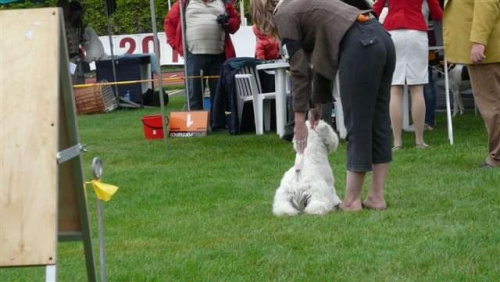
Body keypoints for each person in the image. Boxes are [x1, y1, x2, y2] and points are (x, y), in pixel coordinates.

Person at [251, 0, 396, 211]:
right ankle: (376, 197)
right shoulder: (303, 5)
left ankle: (351, 200)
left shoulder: (283, 13)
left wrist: (299, 120)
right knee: (379, 120)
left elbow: (299, 69)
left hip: (360, 45)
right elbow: (321, 53)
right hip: (381, 37)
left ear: (262, 11)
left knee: (358, 123)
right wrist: (317, 101)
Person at [372, 0, 442, 150]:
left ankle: (397, 142)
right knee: (417, 89)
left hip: (392, 31)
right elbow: (436, 13)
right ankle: (419, 140)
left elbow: (375, 9)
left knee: (395, 89)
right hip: (416, 31)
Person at [443, 1, 500, 168]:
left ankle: (497, 157)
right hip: (487, 50)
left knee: (492, 104)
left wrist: (478, 41)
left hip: (486, 52)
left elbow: (486, 5)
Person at [164, 0, 241, 110]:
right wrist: (179, 47)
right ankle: (195, 124)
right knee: (194, 95)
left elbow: (236, 23)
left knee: (219, 95)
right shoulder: (183, 3)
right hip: (193, 55)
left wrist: (227, 22)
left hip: (219, 55)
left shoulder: (224, 3)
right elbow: (169, 23)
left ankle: (217, 124)